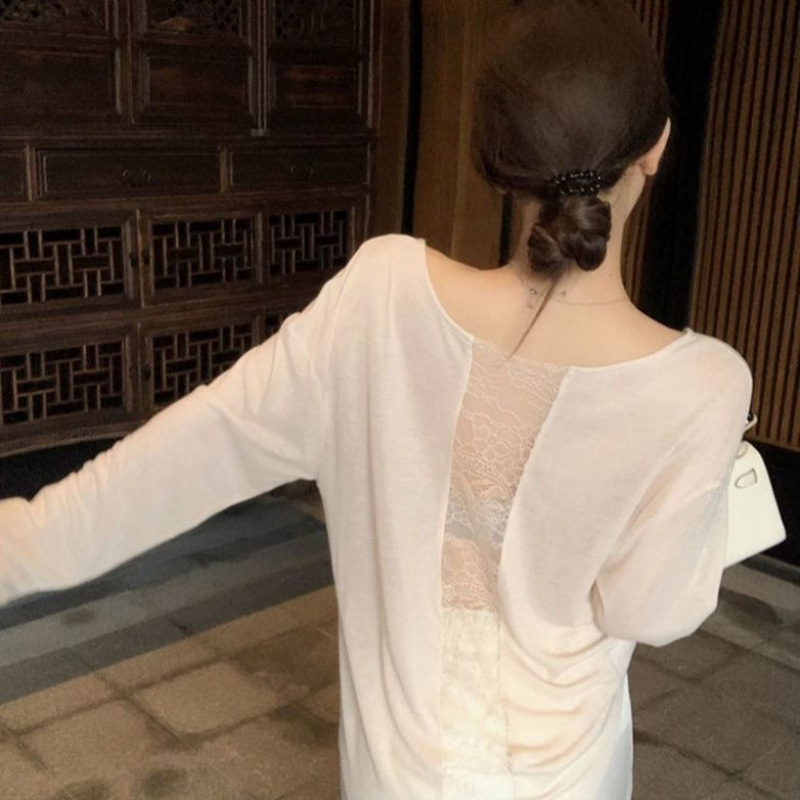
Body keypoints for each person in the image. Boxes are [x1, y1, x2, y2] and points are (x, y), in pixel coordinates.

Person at [0, 1, 752, 798]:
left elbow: (180, 461)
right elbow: (650, 610)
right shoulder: (704, 384)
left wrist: (16, 546)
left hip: (397, 777)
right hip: (570, 776)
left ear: (494, 158)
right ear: (657, 146)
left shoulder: (382, 296)